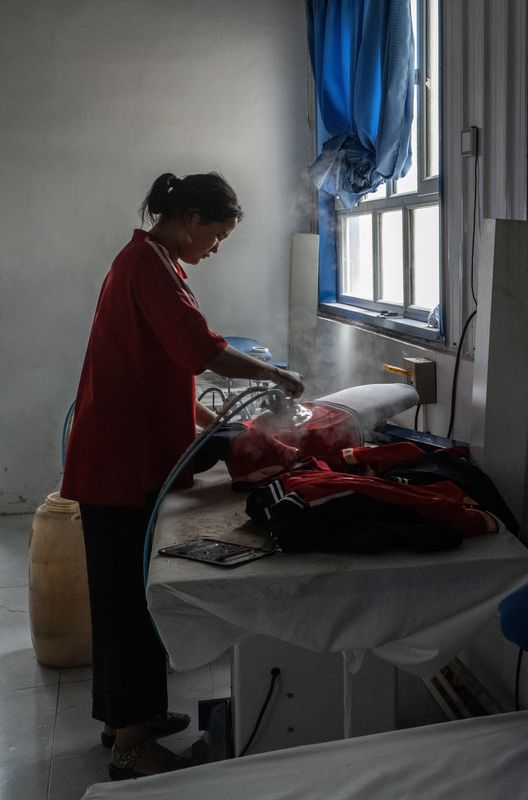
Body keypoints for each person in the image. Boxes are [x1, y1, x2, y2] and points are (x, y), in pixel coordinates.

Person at [61, 172, 304, 780]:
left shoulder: (152, 262)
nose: (216, 247)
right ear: (191, 219)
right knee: (125, 601)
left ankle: (124, 717)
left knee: (125, 594)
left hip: (123, 453)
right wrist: (275, 378)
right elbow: (200, 350)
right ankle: (129, 746)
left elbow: (166, 368)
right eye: (217, 235)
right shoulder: (146, 266)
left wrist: (206, 418)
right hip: (118, 463)